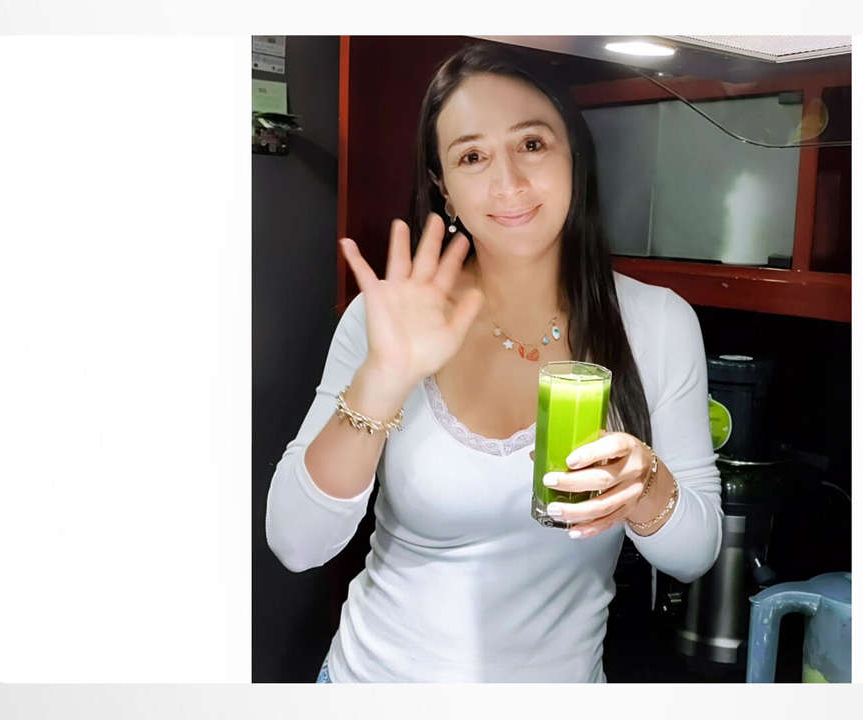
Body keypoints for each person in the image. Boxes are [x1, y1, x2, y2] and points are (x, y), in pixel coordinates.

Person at [265, 43, 723, 683]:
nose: (508, 183)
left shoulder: (658, 323)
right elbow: (296, 543)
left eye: (532, 144)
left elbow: (694, 555)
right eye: (472, 156)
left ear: (573, 156)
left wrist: (642, 484)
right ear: (444, 188)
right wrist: (382, 380)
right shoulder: (389, 319)